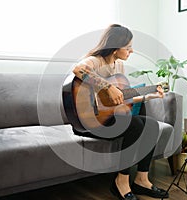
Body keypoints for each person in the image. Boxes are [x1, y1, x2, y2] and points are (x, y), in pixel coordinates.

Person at [72, 24, 169, 200]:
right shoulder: (96, 61)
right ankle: (121, 182)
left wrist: (151, 96)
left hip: (109, 119)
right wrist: (107, 86)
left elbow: (123, 99)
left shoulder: (119, 66)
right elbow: (78, 69)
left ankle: (142, 180)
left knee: (151, 124)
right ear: (116, 48)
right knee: (135, 123)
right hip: (89, 122)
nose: (131, 51)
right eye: (128, 47)